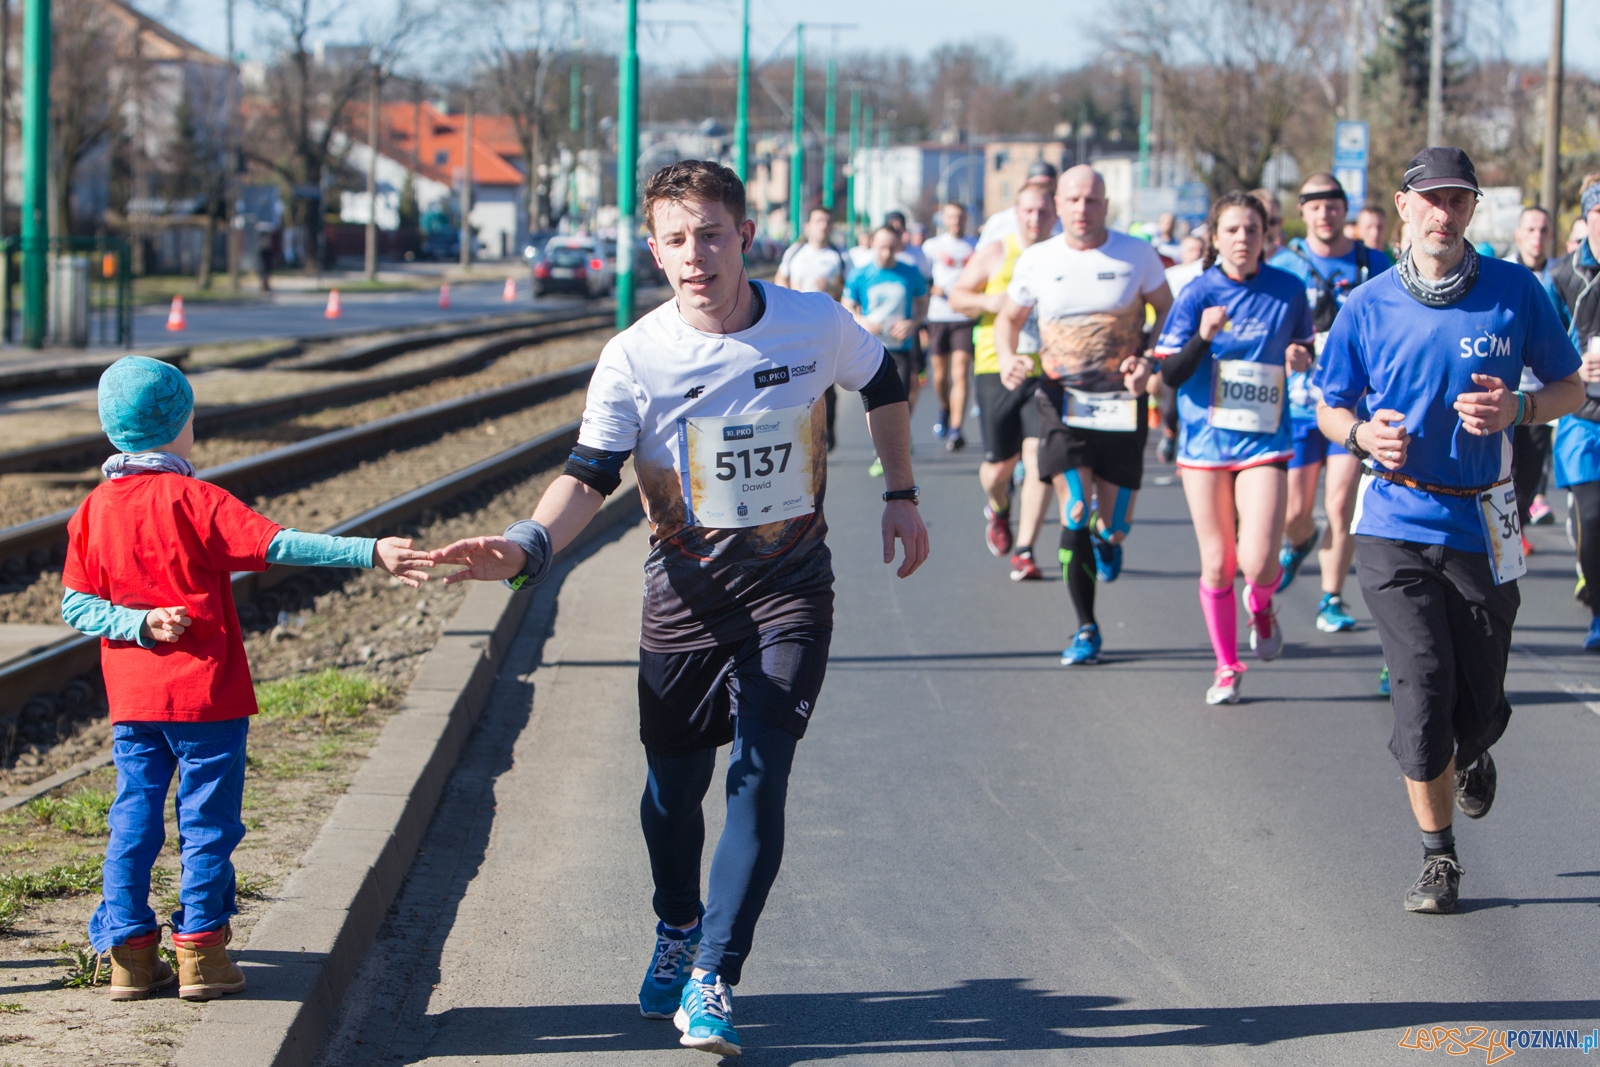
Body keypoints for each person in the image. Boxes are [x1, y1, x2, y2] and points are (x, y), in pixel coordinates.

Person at [427, 160, 929, 1057]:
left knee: (761, 774)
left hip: (790, 591)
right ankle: (676, 921)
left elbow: (885, 379)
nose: (694, 256)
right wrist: (522, 548)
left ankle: (714, 974)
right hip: (685, 599)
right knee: (671, 793)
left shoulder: (814, 323)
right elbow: (588, 476)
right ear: (654, 251)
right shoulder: (636, 354)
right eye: (674, 240)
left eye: (710, 234)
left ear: (743, 235)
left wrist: (901, 491)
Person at [60, 356, 432, 1002]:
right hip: (207, 698)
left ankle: (129, 953)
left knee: (133, 817)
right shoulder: (197, 500)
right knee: (207, 821)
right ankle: (201, 951)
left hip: (133, 703)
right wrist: (370, 551)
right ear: (178, 427)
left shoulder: (93, 512)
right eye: (190, 421)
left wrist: (137, 624)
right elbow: (282, 544)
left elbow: (75, 606)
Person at [1314, 147, 1582, 913]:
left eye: (1458, 199)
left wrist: (1519, 409)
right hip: (1396, 518)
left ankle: (1479, 743)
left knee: (1479, 695)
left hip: (1484, 517)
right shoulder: (1367, 304)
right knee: (1422, 684)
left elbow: (1567, 385)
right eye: (1429, 198)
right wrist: (1363, 435)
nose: (1443, 212)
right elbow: (1330, 404)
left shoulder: (1513, 290)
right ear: (1402, 206)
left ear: (1473, 209)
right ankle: (1439, 857)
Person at [994, 166, 1172, 665]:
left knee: (1111, 526)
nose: (1081, 209)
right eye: (1072, 200)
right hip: (1061, 403)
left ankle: (1109, 540)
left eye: (1091, 200)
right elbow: (1009, 319)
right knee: (1074, 511)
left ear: (1105, 204)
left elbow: (1167, 312)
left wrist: (1148, 359)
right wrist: (1010, 357)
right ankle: (1086, 628)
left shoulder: (1137, 254)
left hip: (1121, 405)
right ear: (1058, 202)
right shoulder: (1038, 259)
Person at [1155, 192, 1314, 703]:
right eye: (1232, 230)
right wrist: (1202, 337)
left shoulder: (1288, 289)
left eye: (1252, 229)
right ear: (1215, 238)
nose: (1243, 239)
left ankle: (1262, 604)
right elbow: (1171, 374)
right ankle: (1226, 666)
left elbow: (1304, 346)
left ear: (1266, 234)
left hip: (1264, 437)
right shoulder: (1197, 293)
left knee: (1260, 559)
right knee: (1219, 562)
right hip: (1205, 441)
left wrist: (1300, 355)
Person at [1271, 175, 1394, 637]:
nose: (1325, 213)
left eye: (1333, 204)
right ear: (1301, 212)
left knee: (1341, 504)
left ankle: (1331, 596)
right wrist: (1286, 351)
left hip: (1353, 409)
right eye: (1315, 205)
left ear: (1346, 210)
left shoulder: (1375, 263)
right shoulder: (1284, 265)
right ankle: (1298, 542)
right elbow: (1264, 333)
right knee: (1295, 513)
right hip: (1300, 409)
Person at [949, 185, 1060, 580]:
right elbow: (957, 294)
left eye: (1044, 212)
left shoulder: (1063, 254)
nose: (1036, 219)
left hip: (1047, 372)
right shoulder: (997, 251)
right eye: (1029, 211)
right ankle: (999, 509)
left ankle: (1026, 549)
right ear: (1017, 213)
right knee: (998, 470)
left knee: (1038, 460)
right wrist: (989, 303)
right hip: (996, 366)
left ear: (1055, 212)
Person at [1550, 173, 1600, 649]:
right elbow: (1539, 343)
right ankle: (1598, 607)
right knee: (1591, 519)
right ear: (1586, 219)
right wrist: (1573, 362)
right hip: (1582, 417)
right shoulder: (1564, 275)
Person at [845, 225, 930, 478]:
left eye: (891, 248)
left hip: (901, 347)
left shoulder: (910, 273)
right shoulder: (860, 274)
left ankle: (900, 434)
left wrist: (913, 323)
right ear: (872, 245)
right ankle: (881, 452)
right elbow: (847, 306)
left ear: (898, 247)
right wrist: (862, 321)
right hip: (871, 347)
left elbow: (923, 304)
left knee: (901, 398)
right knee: (876, 401)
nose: (885, 253)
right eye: (881, 247)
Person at [1505, 206, 1566, 530]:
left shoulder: (1559, 276)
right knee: (1501, 475)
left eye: (1543, 230)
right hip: (1504, 391)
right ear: (1518, 235)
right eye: (1530, 230)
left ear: (1551, 236)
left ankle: (1515, 536)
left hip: (1543, 394)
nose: (1537, 237)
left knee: (1529, 479)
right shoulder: (1502, 275)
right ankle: (1497, 544)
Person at [776, 206, 851, 450]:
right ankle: (802, 434)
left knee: (825, 384)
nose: (823, 225)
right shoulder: (795, 253)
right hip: (796, 328)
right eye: (818, 220)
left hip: (825, 328)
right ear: (808, 226)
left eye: (827, 221)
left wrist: (830, 288)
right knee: (798, 381)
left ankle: (828, 430)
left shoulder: (839, 256)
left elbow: (849, 291)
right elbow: (781, 280)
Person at [922, 202, 977, 451]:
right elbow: (922, 280)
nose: (957, 221)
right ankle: (945, 407)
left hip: (964, 317)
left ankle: (956, 428)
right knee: (940, 375)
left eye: (961, 217)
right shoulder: (931, 247)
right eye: (952, 217)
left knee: (960, 371)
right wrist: (934, 289)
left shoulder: (976, 246)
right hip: (938, 316)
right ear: (943, 219)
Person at [1155, 227, 1210, 464]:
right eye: (1190, 249)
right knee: (1170, 400)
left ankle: (1190, 446)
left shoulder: (1210, 276)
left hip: (1204, 346)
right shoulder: (1172, 275)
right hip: (1175, 346)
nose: (1195, 253)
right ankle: (1170, 431)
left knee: (1198, 400)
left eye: (1199, 249)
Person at [977, 160, 1064, 248]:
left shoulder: (1065, 221)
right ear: (1025, 184)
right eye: (1036, 184)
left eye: (1048, 185)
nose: (1041, 190)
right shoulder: (999, 221)